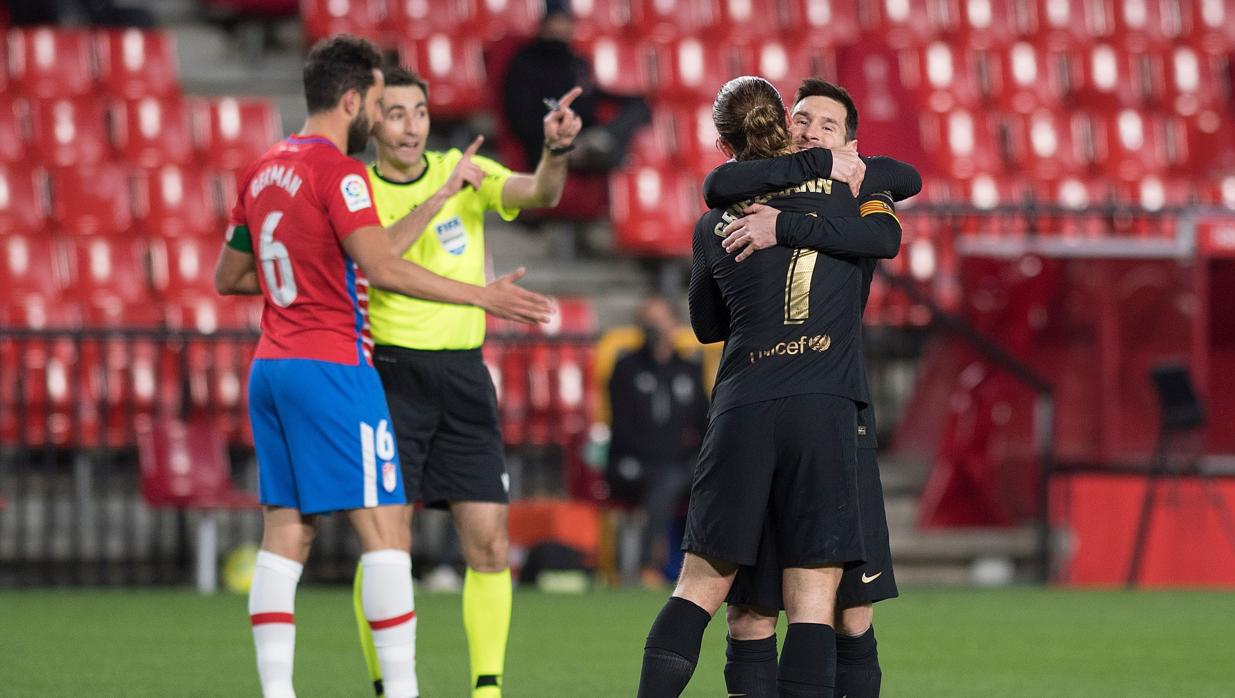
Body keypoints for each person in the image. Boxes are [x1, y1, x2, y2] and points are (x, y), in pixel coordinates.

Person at [212, 36, 551, 698]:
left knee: (285, 534)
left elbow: (230, 276)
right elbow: (383, 267)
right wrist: (484, 295)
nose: (381, 110)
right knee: (385, 533)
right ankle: (401, 690)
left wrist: (306, 275)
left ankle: (277, 691)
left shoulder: (263, 168)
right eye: (374, 99)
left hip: (270, 368)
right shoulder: (339, 173)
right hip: (335, 365)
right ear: (349, 99)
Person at [636, 75, 905, 698]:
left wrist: (765, 247)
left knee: (702, 585)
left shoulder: (715, 221)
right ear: (785, 126)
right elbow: (889, 226)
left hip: (743, 407)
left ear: (724, 138)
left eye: (825, 126)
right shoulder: (853, 201)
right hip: (825, 407)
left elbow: (705, 324)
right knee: (813, 598)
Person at [350, 65, 582, 698]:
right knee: (384, 545)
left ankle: (487, 688)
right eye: (396, 113)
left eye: (419, 112)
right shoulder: (357, 190)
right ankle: (385, 683)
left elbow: (539, 194)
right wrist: (443, 193)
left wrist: (555, 150)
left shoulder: (463, 167)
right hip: (389, 375)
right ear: (372, 120)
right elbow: (382, 263)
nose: (411, 126)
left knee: (489, 542)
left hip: (462, 376)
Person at [606, 296, 708, 586]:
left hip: (680, 465)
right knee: (663, 480)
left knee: (705, 478)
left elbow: (705, 421)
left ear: (674, 325)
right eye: (648, 322)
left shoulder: (688, 369)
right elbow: (623, 426)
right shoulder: (626, 368)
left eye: (661, 321)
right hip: (634, 464)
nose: (655, 329)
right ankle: (648, 566)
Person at [502, 0, 650, 173]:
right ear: (544, 24)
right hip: (550, 138)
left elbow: (588, 93)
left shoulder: (576, 60)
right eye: (556, 21)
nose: (561, 27)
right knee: (614, 156)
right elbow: (534, 105)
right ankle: (596, 147)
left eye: (565, 22)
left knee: (638, 108)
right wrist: (560, 113)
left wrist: (629, 99)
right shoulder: (527, 61)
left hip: (586, 132)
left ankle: (600, 141)